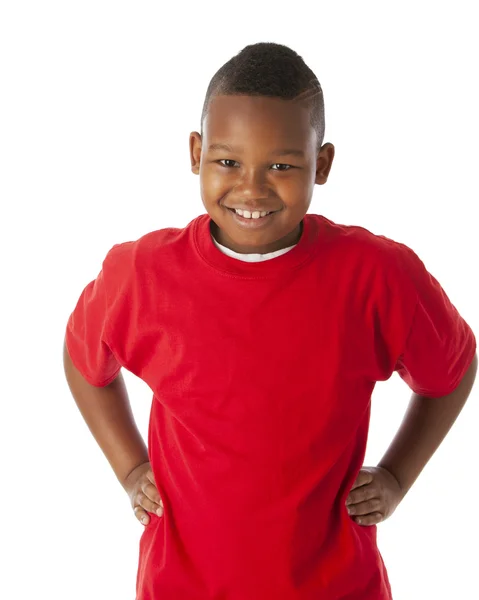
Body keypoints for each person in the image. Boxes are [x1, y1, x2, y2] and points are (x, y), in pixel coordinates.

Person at [63, 42, 477, 600]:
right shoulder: (141, 273)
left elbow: (453, 367)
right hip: (181, 585)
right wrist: (130, 466)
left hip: (336, 586)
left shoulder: (378, 276)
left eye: (281, 165)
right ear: (195, 152)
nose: (252, 188)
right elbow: (83, 354)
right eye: (228, 161)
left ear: (322, 164)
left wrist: (397, 476)